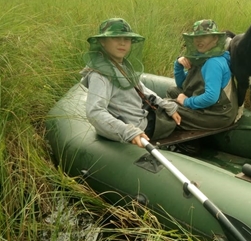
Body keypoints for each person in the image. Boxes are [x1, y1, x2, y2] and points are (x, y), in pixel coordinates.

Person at [80, 18, 181, 148]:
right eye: (116, 38)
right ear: (103, 42)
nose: (122, 43)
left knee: (175, 106)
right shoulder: (100, 75)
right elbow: (95, 111)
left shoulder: (120, 65)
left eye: (127, 39)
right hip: (140, 127)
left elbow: (141, 88)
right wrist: (128, 131)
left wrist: (165, 105)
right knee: (186, 113)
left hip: (143, 114)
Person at [166, 19, 237, 130]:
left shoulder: (213, 63)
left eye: (204, 36)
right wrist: (178, 65)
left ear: (215, 39)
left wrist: (186, 102)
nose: (198, 40)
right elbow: (183, 86)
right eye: (196, 37)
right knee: (172, 91)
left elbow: (211, 97)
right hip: (212, 108)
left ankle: (189, 145)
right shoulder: (201, 57)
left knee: (165, 106)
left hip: (218, 114)